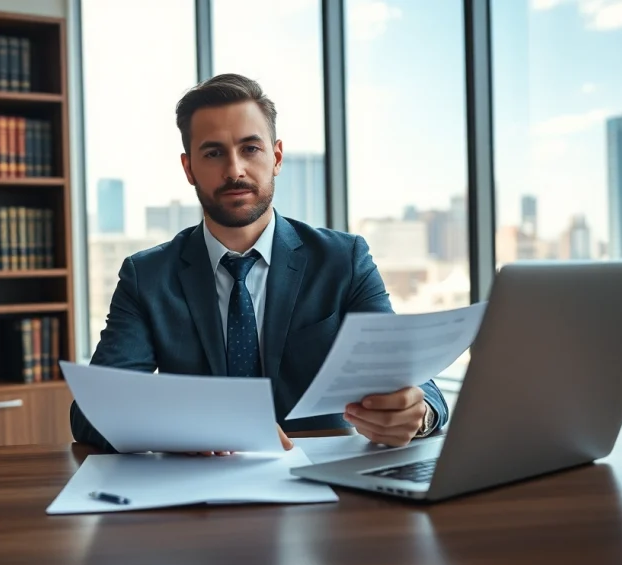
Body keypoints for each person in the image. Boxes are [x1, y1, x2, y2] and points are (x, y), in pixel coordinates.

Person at [71, 73, 448, 453]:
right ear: (188, 169)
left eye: (250, 149)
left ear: (277, 157)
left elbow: (412, 380)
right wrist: (184, 422)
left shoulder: (342, 260)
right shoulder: (147, 277)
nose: (234, 170)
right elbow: (90, 414)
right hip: (200, 489)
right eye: (214, 153)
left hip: (325, 488)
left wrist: (420, 414)